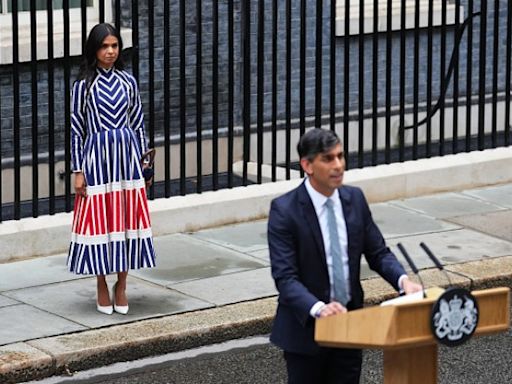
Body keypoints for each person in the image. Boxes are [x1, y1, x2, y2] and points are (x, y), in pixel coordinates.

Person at [267, 128, 422, 383]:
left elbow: (378, 253)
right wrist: (319, 309)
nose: (338, 165)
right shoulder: (285, 211)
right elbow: (285, 278)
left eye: (340, 156)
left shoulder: (355, 199)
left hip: (349, 326)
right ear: (307, 164)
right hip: (307, 331)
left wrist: (402, 280)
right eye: (328, 159)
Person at [67, 23, 156, 315]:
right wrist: (78, 170)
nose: (110, 51)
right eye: (105, 46)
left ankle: (122, 285)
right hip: (97, 161)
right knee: (101, 221)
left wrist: (146, 163)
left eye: (115, 46)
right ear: (94, 49)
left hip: (127, 160)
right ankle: (102, 284)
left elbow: (139, 123)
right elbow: (76, 130)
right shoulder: (83, 86)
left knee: (127, 219)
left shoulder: (128, 82)